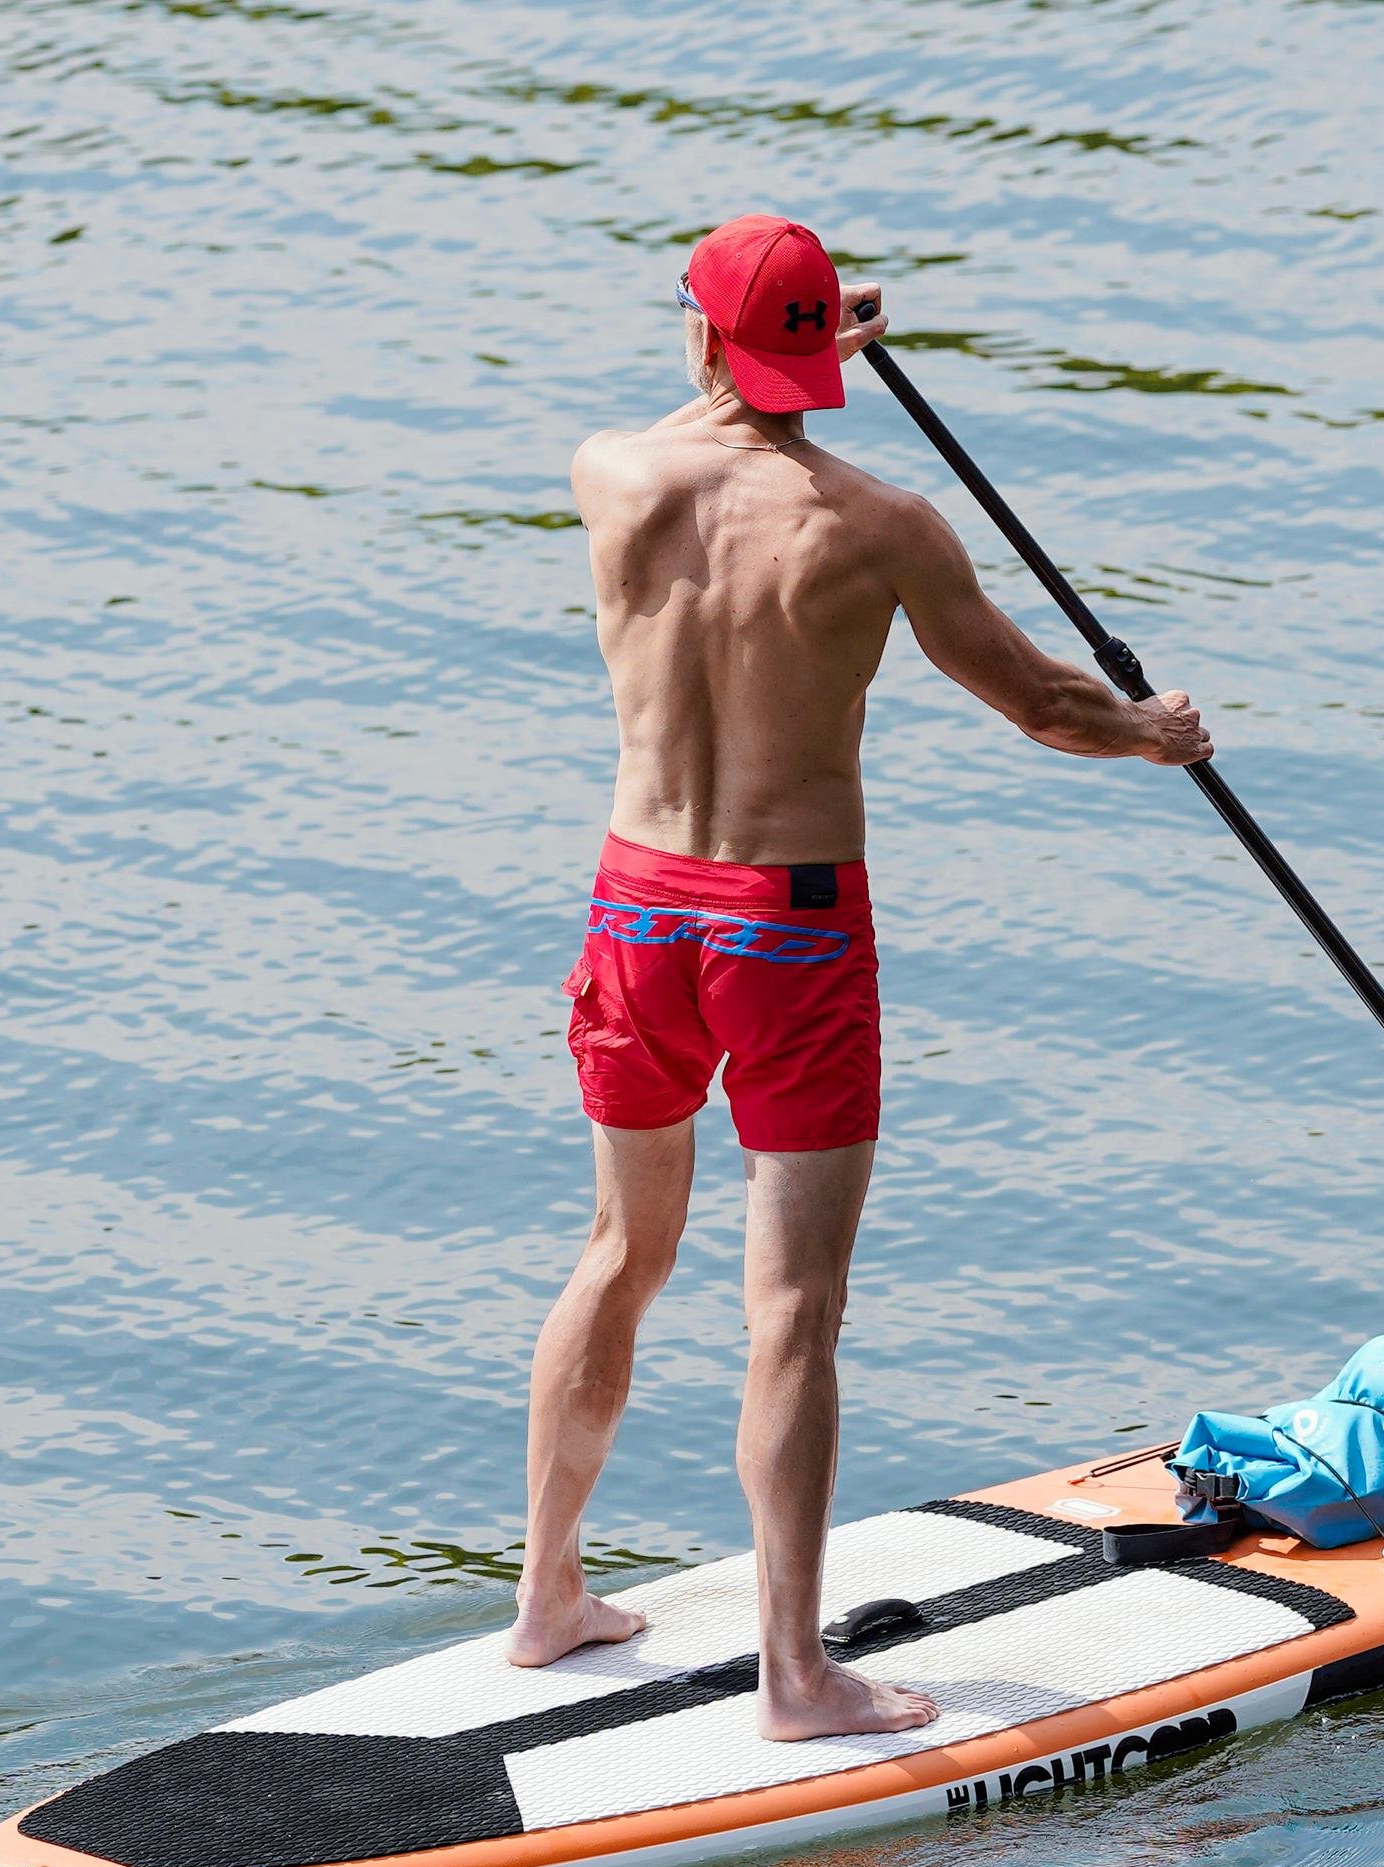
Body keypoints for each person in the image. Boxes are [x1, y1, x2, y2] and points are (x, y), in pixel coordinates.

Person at [507, 214, 1214, 1740]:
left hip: (638, 908)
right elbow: (1044, 705)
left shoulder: (610, 473)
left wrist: (785, 334)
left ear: (698, 334)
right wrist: (1152, 733)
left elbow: (706, 399)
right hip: (792, 929)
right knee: (793, 1309)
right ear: (816, 358)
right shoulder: (886, 525)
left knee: (620, 1254)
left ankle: (548, 1598)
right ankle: (796, 1677)